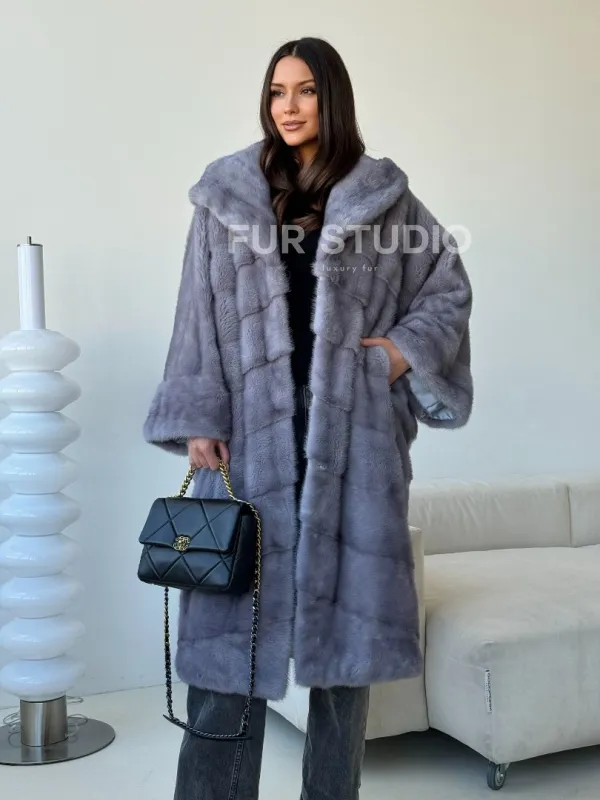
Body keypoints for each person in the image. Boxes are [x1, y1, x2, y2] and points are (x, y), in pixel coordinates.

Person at [143, 36, 474, 800]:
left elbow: (447, 287)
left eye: (305, 91)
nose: (287, 106)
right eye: (276, 91)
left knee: (344, 667)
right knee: (227, 661)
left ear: (332, 98)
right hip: (247, 448)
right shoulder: (225, 197)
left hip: (351, 448)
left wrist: (399, 353)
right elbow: (196, 313)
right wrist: (199, 414)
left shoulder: (383, 200)